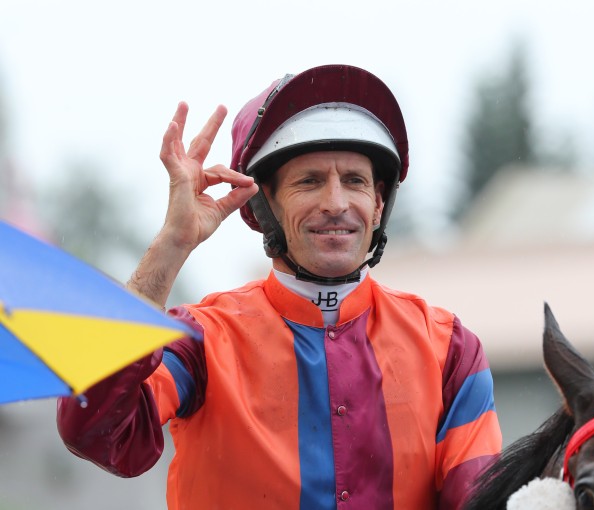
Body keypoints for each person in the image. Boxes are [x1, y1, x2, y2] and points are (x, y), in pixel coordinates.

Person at [57, 64, 502, 510]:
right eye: (309, 181)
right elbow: (97, 433)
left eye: (355, 181)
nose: (335, 203)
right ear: (264, 203)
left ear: (379, 202)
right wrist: (171, 245)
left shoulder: (451, 348)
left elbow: (482, 502)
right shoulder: (200, 339)